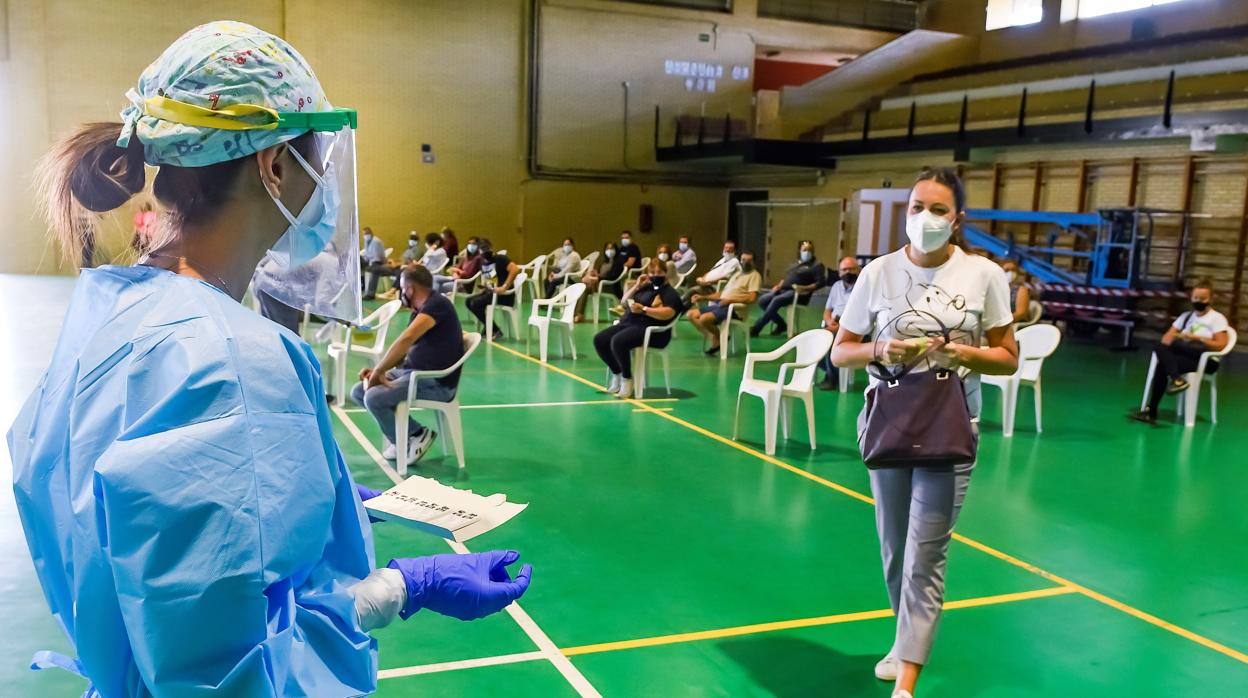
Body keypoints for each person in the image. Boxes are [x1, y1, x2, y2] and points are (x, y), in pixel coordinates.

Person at [9, 22, 530, 697]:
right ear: (274, 164)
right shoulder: (232, 360)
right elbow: (232, 674)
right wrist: (401, 587)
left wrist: (311, 502)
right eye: (317, 150)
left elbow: (143, 538)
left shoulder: (113, 308)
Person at [830, 168, 1018, 698]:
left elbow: (1007, 358)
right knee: (894, 548)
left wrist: (962, 352)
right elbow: (840, 350)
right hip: (890, 424)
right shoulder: (878, 274)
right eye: (916, 207)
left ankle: (907, 682)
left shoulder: (983, 275)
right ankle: (902, 638)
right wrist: (878, 349)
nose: (925, 218)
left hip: (951, 428)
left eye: (938, 209)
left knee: (925, 553)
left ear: (957, 219)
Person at [352, 266, 463, 464]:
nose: (401, 292)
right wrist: (379, 370)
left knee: (374, 398)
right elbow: (406, 350)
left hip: (435, 383)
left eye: (402, 288)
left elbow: (407, 338)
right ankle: (408, 437)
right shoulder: (419, 310)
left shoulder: (437, 305)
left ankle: (415, 434)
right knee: (359, 391)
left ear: (410, 289)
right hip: (411, 374)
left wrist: (380, 371)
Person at [1131, 279, 1230, 424]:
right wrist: (1177, 335)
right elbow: (1166, 340)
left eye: (1203, 299)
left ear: (1210, 299)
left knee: (1162, 357)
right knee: (1160, 351)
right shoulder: (1186, 317)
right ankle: (1157, 403)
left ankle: (1175, 381)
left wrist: (1197, 338)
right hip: (1186, 355)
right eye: (1195, 298)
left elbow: (1221, 345)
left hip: (1205, 359)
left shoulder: (1217, 318)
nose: (1198, 301)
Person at [593, 258, 684, 397]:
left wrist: (645, 310)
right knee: (600, 340)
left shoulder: (670, 293)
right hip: (629, 323)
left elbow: (669, 313)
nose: (655, 275)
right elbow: (624, 302)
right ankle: (616, 372)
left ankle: (627, 379)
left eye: (659, 272)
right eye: (652, 272)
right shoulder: (645, 288)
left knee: (618, 341)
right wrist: (636, 286)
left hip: (652, 331)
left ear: (665, 273)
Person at [686, 250, 762, 355]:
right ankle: (717, 336)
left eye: (749, 260)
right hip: (721, 304)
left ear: (754, 262)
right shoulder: (737, 274)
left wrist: (731, 301)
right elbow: (722, 294)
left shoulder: (755, 276)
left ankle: (720, 337)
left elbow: (752, 298)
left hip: (735, 309)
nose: (746, 262)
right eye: (743, 260)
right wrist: (703, 297)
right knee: (691, 315)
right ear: (740, 260)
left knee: (704, 319)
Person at [751, 240, 827, 337]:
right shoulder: (795, 264)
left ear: (813, 251)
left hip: (798, 293)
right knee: (763, 300)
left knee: (776, 300)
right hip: (783, 290)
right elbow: (786, 278)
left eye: (809, 250)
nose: (806, 252)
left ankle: (757, 328)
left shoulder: (817, 266)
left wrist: (803, 288)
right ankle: (781, 325)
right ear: (800, 251)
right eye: (804, 250)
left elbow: (821, 283)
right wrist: (778, 285)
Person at [816, 256, 862, 389]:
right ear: (839, 272)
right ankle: (831, 371)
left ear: (859, 270)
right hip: (834, 324)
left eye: (852, 269)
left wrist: (841, 326)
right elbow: (827, 310)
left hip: (854, 329)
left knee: (829, 340)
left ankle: (831, 378)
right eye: (844, 269)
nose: (848, 272)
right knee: (815, 340)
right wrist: (829, 321)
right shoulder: (836, 286)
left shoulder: (864, 286)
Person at [465, 239, 519, 338]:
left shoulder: (500, 259)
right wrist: (485, 287)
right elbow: (491, 279)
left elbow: (515, 269)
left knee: (476, 303)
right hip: (491, 293)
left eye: (486, 249)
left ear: (490, 248)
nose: (484, 252)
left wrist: (504, 287)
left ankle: (493, 329)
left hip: (504, 295)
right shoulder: (483, 263)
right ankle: (490, 327)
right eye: (482, 250)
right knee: (468, 301)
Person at [576, 241, 622, 321]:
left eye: (611, 248)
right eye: (607, 248)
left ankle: (579, 315)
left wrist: (598, 278)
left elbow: (612, 276)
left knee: (585, 288)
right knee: (583, 289)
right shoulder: (604, 262)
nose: (609, 250)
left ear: (615, 249)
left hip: (609, 286)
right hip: (599, 284)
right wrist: (595, 274)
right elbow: (599, 273)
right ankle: (577, 314)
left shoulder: (618, 262)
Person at [361, 226, 396, 300]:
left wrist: (368, 257)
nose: (365, 236)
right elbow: (367, 254)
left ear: (371, 233)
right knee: (359, 262)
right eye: (364, 234)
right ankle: (363, 287)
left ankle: (370, 293)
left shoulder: (376, 241)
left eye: (367, 233)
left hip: (378, 262)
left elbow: (379, 257)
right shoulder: (367, 241)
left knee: (374, 270)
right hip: (371, 262)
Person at [999, 258, 1032, 323]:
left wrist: (1000, 323)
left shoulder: (1021, 290)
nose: (1010, 273)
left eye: (1013, 270)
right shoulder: (997, 289)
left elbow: (1020, 314)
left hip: (1014, 325)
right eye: (1007, 270)